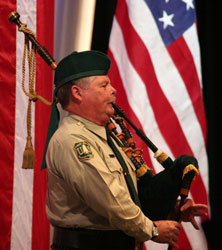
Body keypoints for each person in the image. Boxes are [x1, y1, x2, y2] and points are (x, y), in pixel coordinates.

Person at [45, 50, 207, 250]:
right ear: (78, 93)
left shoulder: (106, 137)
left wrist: (171, 209)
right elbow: (111, 201)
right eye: (104, 85)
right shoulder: (73, 141)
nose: (113, 90)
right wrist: (152, 230)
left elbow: (131, 194)